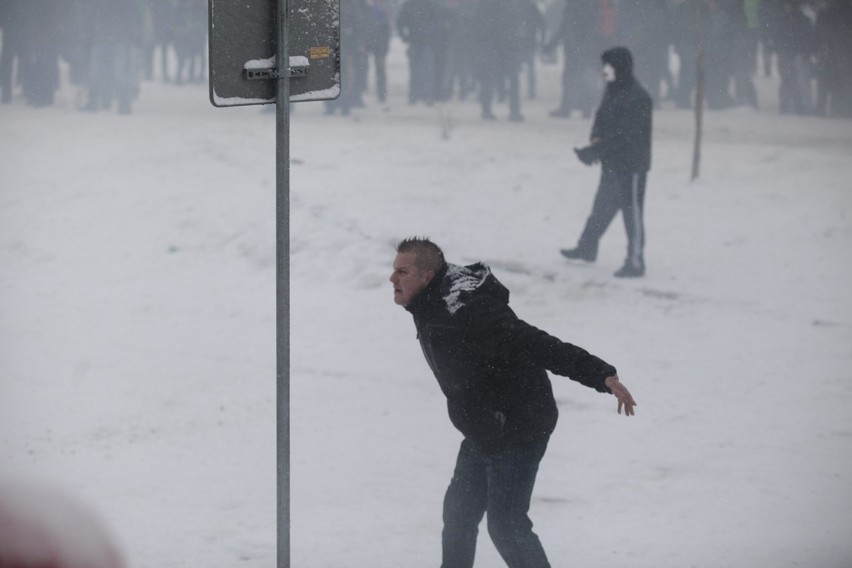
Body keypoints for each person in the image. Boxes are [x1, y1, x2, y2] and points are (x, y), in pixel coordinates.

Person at [390, 237, 637, 568]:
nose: (392, 279)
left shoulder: (470, 311)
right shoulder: (430, 300)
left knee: (506, 526)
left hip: (519, 426)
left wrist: (601, 375)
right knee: (459, 515)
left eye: (402, 272)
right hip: (482, 426)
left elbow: (536, 343)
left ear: (427, 277)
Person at [561, 46, 653, 278]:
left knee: (632, 216)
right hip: (611, 162)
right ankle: (587, 247)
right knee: (601, 209)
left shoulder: (638, 97)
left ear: (620, 67)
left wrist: (596, 151)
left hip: (631, 166)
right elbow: (601, 118)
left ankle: (635, 262)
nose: (604, 71)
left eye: (608, 66)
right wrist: (595, 137)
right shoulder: (612, 91)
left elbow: (627, 137)